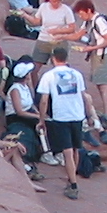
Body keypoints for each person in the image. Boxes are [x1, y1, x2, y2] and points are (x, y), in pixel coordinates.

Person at [39, 44, 90, 200]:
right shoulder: (77, 74)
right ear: (66, 58)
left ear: (53, 58)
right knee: (76, 149)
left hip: (61, 116)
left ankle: (73, 184)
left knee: (67, 151)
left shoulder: (49, 76)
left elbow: (44, 100)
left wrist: (42, 119)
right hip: (77, 114)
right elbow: (84, 95)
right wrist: (88, 114)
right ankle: (71, 179)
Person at [76, 0, 107, 144]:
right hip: (98, 55)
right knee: (100, 85)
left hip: (102, 56)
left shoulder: (99, 21)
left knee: (103, 86)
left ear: (89, 10)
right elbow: (78, 35)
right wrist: (61, 36)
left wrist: (91, 48)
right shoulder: (89, 21)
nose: (80, 17)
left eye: (81, 14)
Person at [2, 59, 46, 170]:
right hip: (16, 118)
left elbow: (30, 105)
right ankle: (44, 152)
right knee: (35, 128)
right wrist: (38, 117)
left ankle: (48, 150)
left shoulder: (25, 87)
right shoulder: (15, 89)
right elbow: (19, 111)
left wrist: (39, 114)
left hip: (28, 114)